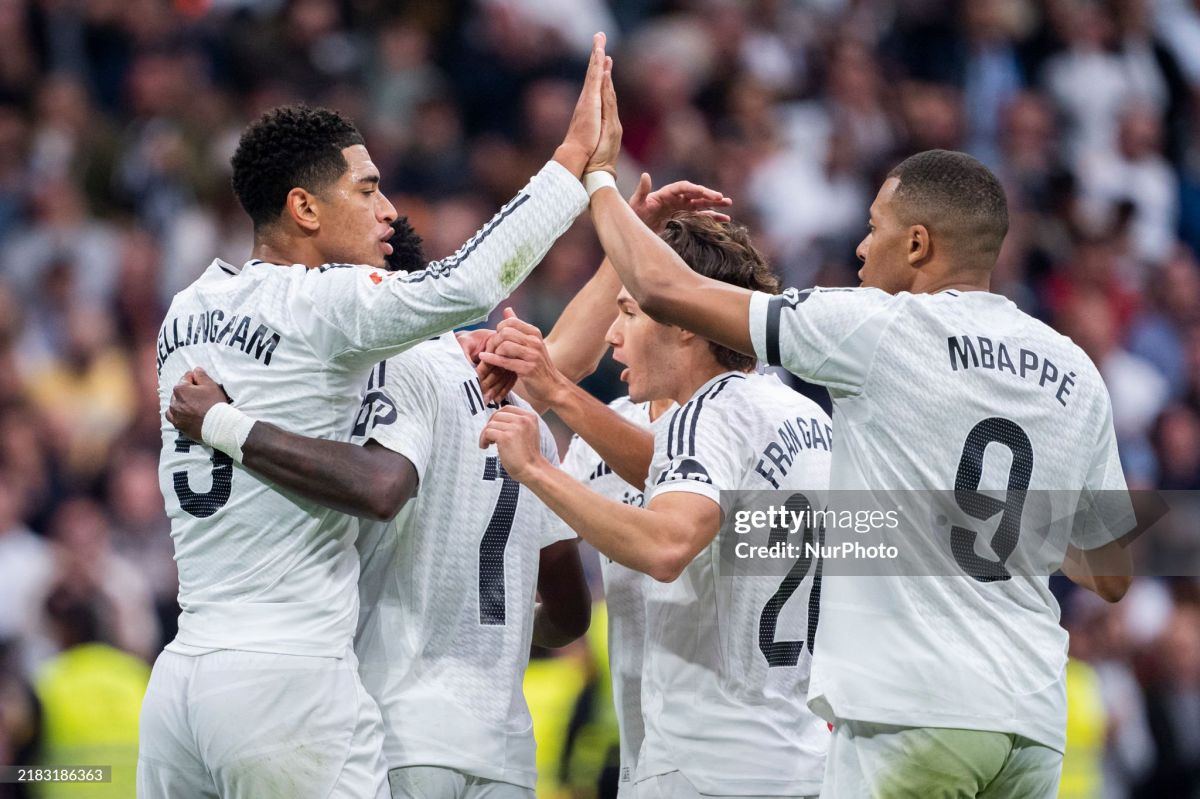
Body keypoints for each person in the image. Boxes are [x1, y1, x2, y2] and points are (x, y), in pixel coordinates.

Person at [138, 33, 618, 799]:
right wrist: (570, 166)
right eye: (366, 191)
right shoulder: (328, 303)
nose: (387, 209)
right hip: (290, 680)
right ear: (304, 207)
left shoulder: (186, 309)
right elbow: (465, 287)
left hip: (180, 679)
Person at [584, 144, 1134, 797]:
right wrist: (984, 519)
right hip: (1032, 722)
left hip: (908, 714)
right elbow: (1110, 571)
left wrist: (599, 181)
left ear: (918, 243)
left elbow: (665, 290)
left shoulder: (877, 328)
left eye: (875, 228)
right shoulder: (1074, 370)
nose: (861, 249)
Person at [481, 213, 833, 799]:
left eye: (629, 312)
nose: (613, 334)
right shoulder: (809, 419)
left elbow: (667, 541)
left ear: (685, 321)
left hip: (702, 762)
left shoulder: (708, 415)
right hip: (803, 760)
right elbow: (662, 474)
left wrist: (538, 461)